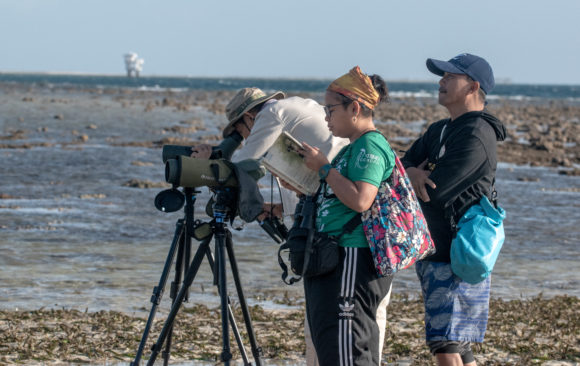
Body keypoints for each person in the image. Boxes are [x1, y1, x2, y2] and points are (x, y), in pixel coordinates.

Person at [191, 87, 349, 366]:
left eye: (241, 131)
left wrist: (206, 164)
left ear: (250, 116)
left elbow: (243, 166)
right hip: (335, 202)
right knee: (331, 309)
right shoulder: (302, 107)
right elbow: (298, 176)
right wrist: (277, 210)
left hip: (329, 211)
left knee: (326, 310)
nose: (245, 137)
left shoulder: (272, 113)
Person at [401, 53, 506, 366]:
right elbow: (402, 165)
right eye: (442, 75)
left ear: (472, 86)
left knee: (445, 343)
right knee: (458, 344)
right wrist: (411, 174)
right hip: (437, 248)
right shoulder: (441, 129)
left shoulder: (476, 134)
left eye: (450, 76)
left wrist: (417, 176)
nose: (441, 81)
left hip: (456, 251)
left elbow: (436, 190)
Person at [300, 66, 394, 366]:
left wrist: (324, 168)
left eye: (330, 110)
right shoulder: (353, 148)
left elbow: (361, 200)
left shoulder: (370, 145)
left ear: (354, 108)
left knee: (348, 348)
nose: (326, 117)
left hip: (354, 256)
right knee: (335, 346)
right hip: (340, 255)